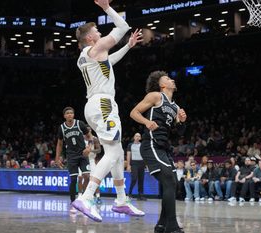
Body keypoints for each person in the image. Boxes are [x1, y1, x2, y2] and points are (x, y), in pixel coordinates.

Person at [71, 0, 144, 222]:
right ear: (90, 38)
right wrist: (107, 8)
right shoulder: (95, 48)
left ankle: (121, 200)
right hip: (103, 104)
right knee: (112, 153)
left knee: (118, 151)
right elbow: (122, 27)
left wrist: (128, 47)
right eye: (96, 31)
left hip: (94, 105)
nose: (99, 32)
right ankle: (86, 197)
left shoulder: (87, 56)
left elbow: (110, 61)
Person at [130, 70, 187, 233]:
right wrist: (147, 122)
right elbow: (133, 112)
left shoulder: (175, 106)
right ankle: (172, 227)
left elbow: (179, 133)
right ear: (162, 85)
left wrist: (182, 122)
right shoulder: (156, 96)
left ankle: (161, 225)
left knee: (173, 183)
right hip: (151, 145)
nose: (172, 80)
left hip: (164, 147)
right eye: (168, 79)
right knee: (169, 180)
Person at [55, 107, 91, 207]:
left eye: (71, 113)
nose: (70, 114)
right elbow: (60, 143)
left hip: (82, 154)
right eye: (67, 113)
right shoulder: (62, 128)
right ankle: (72, 201)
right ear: (64, 116)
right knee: (74, 180)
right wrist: (57, 158)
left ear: (73, 115)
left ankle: (84, 197)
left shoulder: (80, 124)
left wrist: (89, 147)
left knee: (87, 176)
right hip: (71, 156)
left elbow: (90, 136)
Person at [127, 132, 147, 201]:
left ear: (140, 138)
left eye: (139, 136)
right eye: (136, 136)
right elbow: (128, 155)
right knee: (134, 179)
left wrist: (146, 164)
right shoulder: (130, 145)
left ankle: (140, 195)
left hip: (142, 163)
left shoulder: (142, 145)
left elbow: (145, 155)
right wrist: (128, 165)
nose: (137, 137)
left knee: (141, 180)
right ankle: (129, 193)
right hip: (134, 163)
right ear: (134, 137)